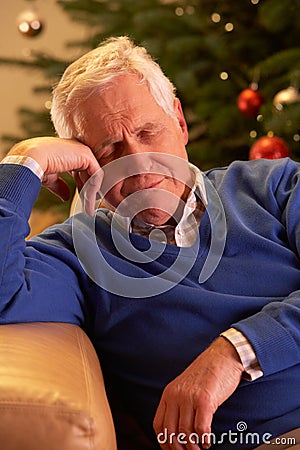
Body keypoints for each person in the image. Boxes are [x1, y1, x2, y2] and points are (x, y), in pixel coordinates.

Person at [0, 36, 299, 450]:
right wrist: (22, 162)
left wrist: (233, 353)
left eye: (147, 131)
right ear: (85, 170)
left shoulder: (276, 186)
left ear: (179, 121)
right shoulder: (76, 257)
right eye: (110, 148)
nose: (139, 163)